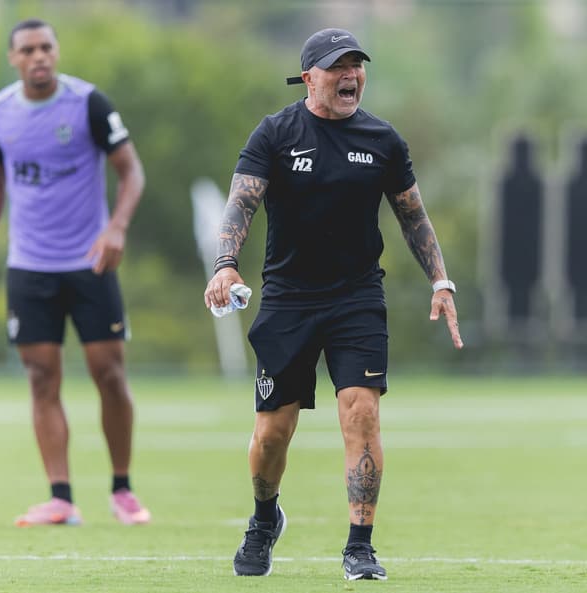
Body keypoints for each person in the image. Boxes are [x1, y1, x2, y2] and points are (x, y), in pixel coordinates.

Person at [204, 28, 463, 581]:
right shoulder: (275, 133)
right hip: (288, 299)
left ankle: (359, 546)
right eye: (337, 66)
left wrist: (441, 281)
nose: (351, 75)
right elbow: (241, 203)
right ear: (308, 77)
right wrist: (225, 263)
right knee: (272, 434)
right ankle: (264, 520)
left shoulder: (383, 140)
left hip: (357, 297)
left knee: (361, 412)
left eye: (356, 65)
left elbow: (413, 216)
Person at [0, 18, 150, 527]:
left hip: (90, 263)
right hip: (29, 267)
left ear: (57, 51)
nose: (38, 56)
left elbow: (131, 171)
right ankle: (61, 498)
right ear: (13, 58)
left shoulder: (89, 103)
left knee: (109, 374)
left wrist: (116, 227)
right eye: (27, 50)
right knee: (41, 378)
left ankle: (122, 489)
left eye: (45, 47)